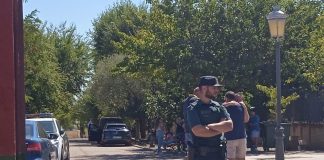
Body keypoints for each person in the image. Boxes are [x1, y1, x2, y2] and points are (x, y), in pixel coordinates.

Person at [187, 76, 233, 160]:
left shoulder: (219, 106)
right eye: (214, 88)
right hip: (201, 156)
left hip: (219, 155)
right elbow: (198, 131)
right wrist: (220, 129)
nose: (217, 90)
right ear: (204, 88)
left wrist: (209, 126)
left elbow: (229, 126)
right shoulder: (193, 108)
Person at [223, 91, 250, 160]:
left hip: (230, 137)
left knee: (231, 158)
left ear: (226, 98)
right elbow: (246, 120)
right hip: (242, 136)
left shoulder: (225, 108)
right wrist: (244, 107)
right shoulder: (241, 106)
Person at [183, 87, 200, 160]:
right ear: (197, 92)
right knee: (194, 148)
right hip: (193, 128)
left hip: (187, 127)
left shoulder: (186, 101)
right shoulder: (194, 100)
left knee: (190, 147)